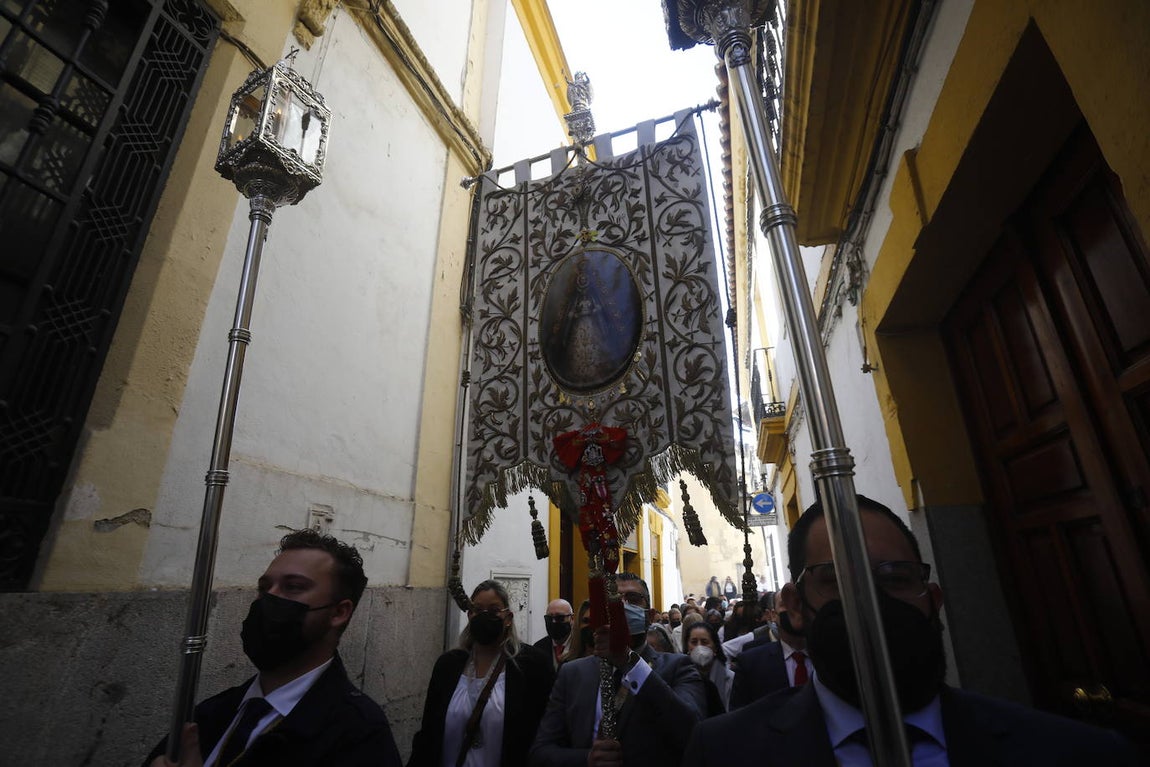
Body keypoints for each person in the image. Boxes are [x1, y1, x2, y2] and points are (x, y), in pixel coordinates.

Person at [683, 495, 1143, 765]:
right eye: (837, 581)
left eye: (896, 578)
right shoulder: (725, 754)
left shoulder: (1076, 755)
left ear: (933, 601)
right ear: (795, 608)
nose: (870, 603)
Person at [143, 529, 401, 766]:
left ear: (339, 612)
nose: (270, 598)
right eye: (264, 587)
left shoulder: (359, 733)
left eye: (294, 587)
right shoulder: (208, 716)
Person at [529, 572, 706, 766]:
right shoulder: (572, 673)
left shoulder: (678, 668)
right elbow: (541, 751)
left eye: (632, 599)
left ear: (649, 615)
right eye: (612, 600)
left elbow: (692, 730)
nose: (620, 606)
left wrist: (628, 661)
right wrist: (586, 758)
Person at [409, 580, 554, 767]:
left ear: (508, 618)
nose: (485, 616)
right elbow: (428, 734)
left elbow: (543, 735)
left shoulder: (532, 666)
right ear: (470, 615)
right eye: (478, 610)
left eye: (494, 611)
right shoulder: (448, 666)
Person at [728, 600, 810, 709]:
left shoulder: (831, 655)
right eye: (785, 604)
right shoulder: (751, 662)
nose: (794, 610)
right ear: (772, 615)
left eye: (799, 603)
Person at [683, 621, 733, 716]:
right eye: (694, 642)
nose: (699, 647)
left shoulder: (731, 678)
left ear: (715, 648)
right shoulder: (681, 677)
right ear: (687, 647)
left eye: (704, 642)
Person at [533, 598, 574, 670]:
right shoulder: (538, 648)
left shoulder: (581, 646)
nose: (554, 622)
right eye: (549, 618)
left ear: (572, 619)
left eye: (560, 617)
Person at [559, 599, 594, 664]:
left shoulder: (615, 662)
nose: (591, 626)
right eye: (586, 621)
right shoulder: (567, 663)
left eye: (595, 621)